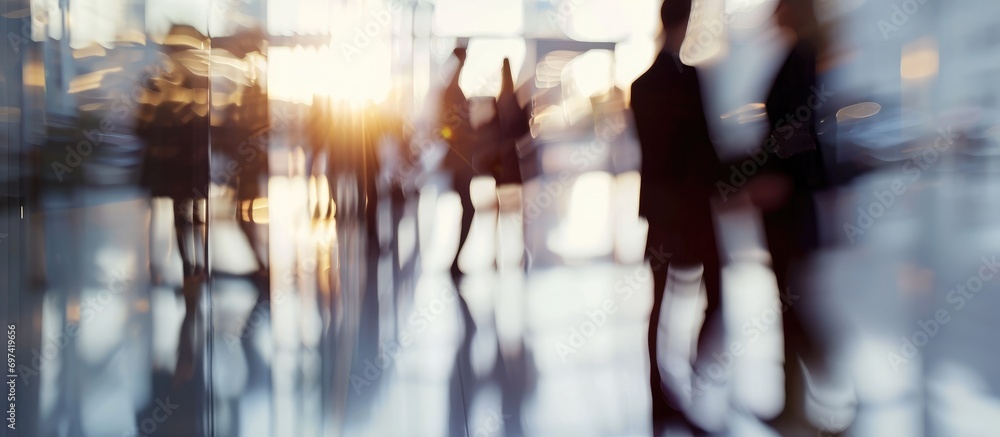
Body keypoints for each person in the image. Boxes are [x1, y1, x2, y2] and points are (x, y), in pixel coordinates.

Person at [630, 0, 724, 430]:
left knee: (660, 301)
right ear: (685, 24)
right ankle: (690, 370)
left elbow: (656, 153)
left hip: (660, 209)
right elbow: (702, 147)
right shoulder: (690, 80)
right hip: (690, 208)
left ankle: (660, 387)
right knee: (715, 292)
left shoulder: (641, 84)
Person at [750, 0, 830, 427]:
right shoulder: (796, 53)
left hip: (789, 203)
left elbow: (797, 132)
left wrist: (777, 178)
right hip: (787, 200)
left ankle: (825, 382)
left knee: (792, 303)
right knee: (790, 302)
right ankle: (795, 402)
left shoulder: (800, 56)